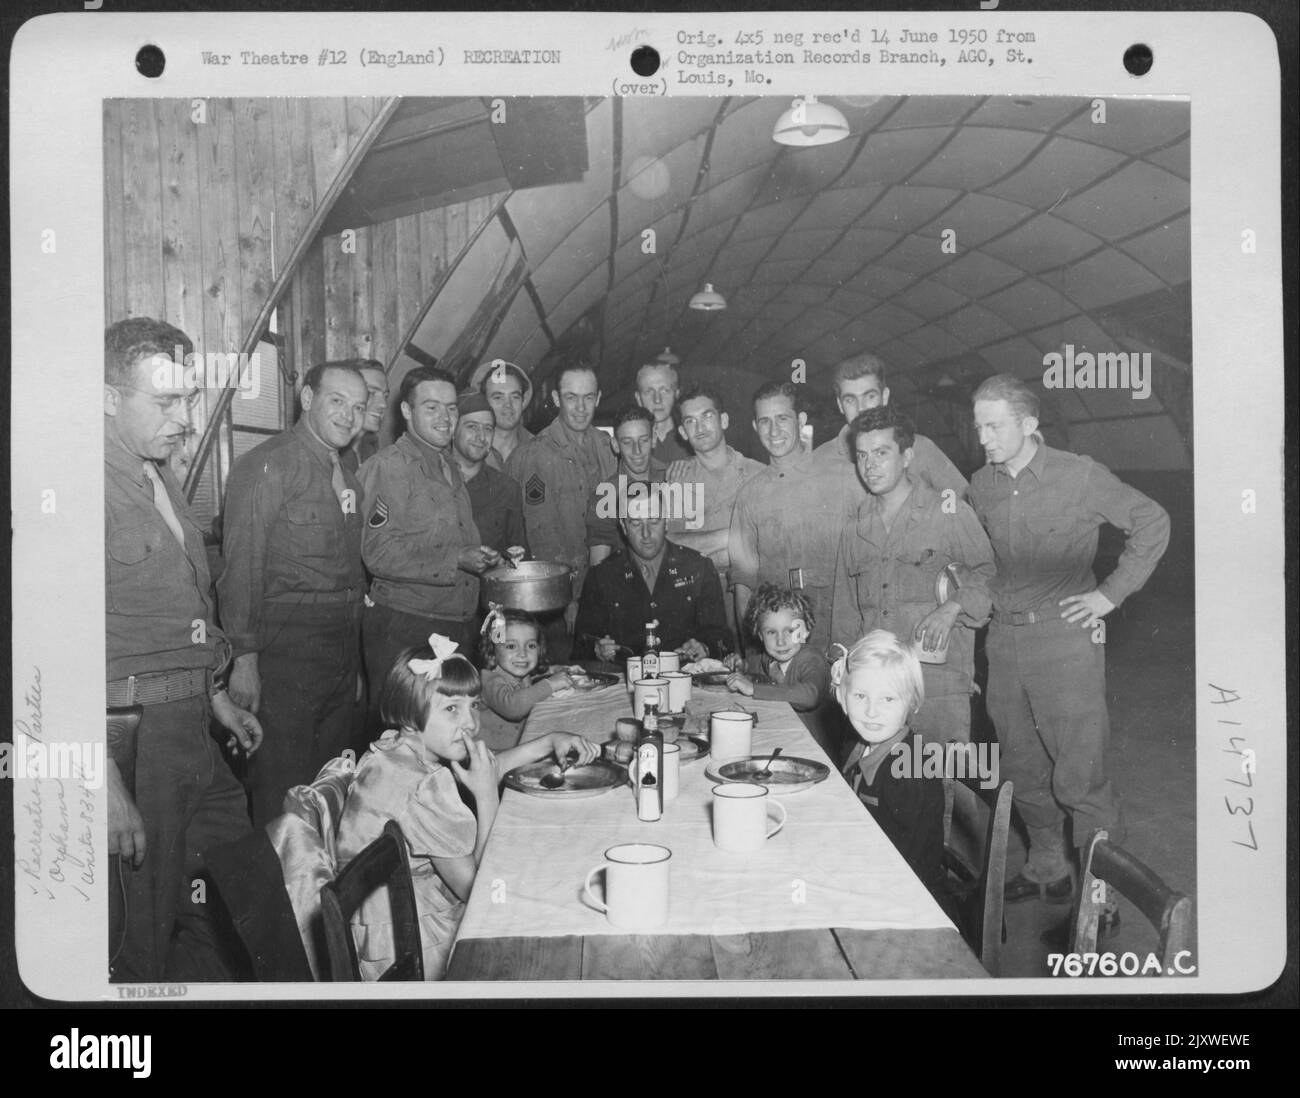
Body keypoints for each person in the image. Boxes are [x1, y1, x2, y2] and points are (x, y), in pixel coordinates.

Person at [968, 374, 1170, 907]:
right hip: (1004, 645)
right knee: (1021, 767)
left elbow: (1152, 520)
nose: (983, 437)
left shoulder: (1078, 476)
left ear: (1029, 424)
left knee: (1079, 775)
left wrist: (1110, 594)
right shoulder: (980, 485)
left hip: (1064, 642)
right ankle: (1046, 869)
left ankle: (1096, 900)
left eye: (994, 426)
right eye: (978, 426)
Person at [104, 317, 262, 982]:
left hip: (193, 730)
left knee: (244, 898)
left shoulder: (157, 476)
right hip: (135, 745)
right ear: (107, 396)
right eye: (165, 402)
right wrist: (102, 782)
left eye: (189, 399)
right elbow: (43, 662)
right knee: (141, 933)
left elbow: (181, 612)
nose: (184, 419)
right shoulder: (80, 490)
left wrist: (217, 698)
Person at [335, 636, 596, 980]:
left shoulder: (394, 750)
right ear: (412, 712)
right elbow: (484, 892)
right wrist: (488, 796)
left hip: (381, 934)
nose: (471, 723)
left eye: (473, 705)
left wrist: (548, 741)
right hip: (420, 950)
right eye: (451, 709)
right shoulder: (425, 788)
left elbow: (486, 766)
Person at [219, 359, 369, 827]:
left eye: (359, 407)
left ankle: (321, 892)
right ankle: (280, 897)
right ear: (307, 399)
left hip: (337, 652)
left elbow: (352, 577)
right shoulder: (267, 464)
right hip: (286, 652)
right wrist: (244, 659)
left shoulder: (348, 475)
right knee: (281, 791)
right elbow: (241, 568)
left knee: (332, 785)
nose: (348, 415)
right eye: (337, 401)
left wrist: (355, 663)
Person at [829, 405, 995, 744]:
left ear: (907, 457)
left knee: (939, 790)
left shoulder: (948, 514)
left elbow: (990, 577)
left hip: (935, 687)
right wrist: (840, 673)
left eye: (881, 453)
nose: (869, 466)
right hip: (874, 691)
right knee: (875, 791)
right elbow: (844, 615)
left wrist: (952, 609)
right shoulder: (855, 529)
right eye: (861, 456)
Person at [358, 366, 501, 738]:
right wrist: (456, 559)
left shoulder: (447, 464)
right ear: (406, 411)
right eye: (432, 407)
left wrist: (481, 557)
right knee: (404, 743)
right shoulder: (390, 467)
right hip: (406, 629)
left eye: (451, 409)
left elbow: (444, 539)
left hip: (452, 625)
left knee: (446, 740)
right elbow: (377, 552)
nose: (445, 418)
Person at [506, 359, 617, 660]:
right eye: (571, 397)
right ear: (556, 399)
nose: (580, 407)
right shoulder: (535, 454)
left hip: (604, 593)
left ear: (598, 398)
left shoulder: (608, 447)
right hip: (558, 602)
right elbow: (541, 535)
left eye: (588, 398)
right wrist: (570, 597)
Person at [729, 381, 851, 654]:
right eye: (764, 422)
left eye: (782, 419)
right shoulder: (749, 495)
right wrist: (752, 652)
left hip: (834, 632)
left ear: (801, 420)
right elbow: (743, 582)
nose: (773, 431)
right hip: (778, 643)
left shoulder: (843, 477)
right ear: (754, 426)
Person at [833, 630, 946, 906]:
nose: (872, 712)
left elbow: (900, 864)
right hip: (872, 870)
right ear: (842, 697)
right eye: (860, 696)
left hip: (908, 897)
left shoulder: (908, 773)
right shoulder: (857, 746)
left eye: (888, 699)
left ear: (911, 703)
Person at [663, 386, 765, 648]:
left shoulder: (758, 475)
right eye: (690, 421)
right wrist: (729, 536)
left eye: (707, 416)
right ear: (683, 433)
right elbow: (669, 544)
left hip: (752, 596)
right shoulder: (679, 480)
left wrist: (702, 542)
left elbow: (769, 542)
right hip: (698, 602)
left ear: (724, 420)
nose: (700, 427)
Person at [574, 496, 731, 663]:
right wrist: (596, 649)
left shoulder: (699, 567)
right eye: (635, 523)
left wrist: (705, 648)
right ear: (623, 526)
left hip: (686, 681)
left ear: (667, 521)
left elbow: (723, 638)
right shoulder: (602, 575)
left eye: (654, 521)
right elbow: (580, 646)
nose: (646, 534)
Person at [815, 353, 968, 498]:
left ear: (885, 397)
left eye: (870, 396)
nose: (861, 408)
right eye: (850, 400)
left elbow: (963, 503)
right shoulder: (821, 460)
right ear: (840, 405)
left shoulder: (919, 448)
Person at [725, 584, 845, 764]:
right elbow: (753, 664)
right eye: (771, 632)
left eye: (790, 631)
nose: (781, 641)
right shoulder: (768, 659)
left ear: (806, 630)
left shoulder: (812, 659)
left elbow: (809, 695)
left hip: (816, 755)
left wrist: (753, 689)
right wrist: (741, 664)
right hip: (783, 747)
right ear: (759, 634)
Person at [476, 605, 574, 750]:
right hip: (491, 755)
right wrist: (549, 684)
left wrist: (552, 670)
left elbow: (532, 679)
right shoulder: (488, 680)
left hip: (519, 745)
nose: (522, 654)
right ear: (492, 651)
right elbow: (513, 706)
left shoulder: (518, 672)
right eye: (511, 646)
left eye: (531, 646)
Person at [450, 390, 528, 558]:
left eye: (488, 429)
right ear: (453, 429)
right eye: (471, 427)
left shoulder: (507, 489)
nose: (481, 437)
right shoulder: (430, 478)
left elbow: (518, 557)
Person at [587, 405, 667, 566]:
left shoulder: (673, 478)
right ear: (615, 445)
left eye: (643, 440)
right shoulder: (606, 495)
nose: (637, 451)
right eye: (627, 442)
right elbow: (598, 567)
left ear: (653, 439)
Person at [470, 358, 534, 469]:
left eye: (515, 397)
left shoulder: (540, 449)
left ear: (523, 402)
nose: (508, 404)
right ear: (483, 402)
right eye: (498, 397)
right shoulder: (466, 448)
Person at [634, 360, 690, 464]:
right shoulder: (630, 444)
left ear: (676, 394)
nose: (657, 399)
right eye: (648, 392)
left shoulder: (691, 437)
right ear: (638, 398)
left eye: (664, 391)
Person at [340, 358, 389, 475]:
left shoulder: (371, 449)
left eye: (385, 396)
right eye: (371, 393)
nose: (383, 404)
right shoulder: (330, 454)